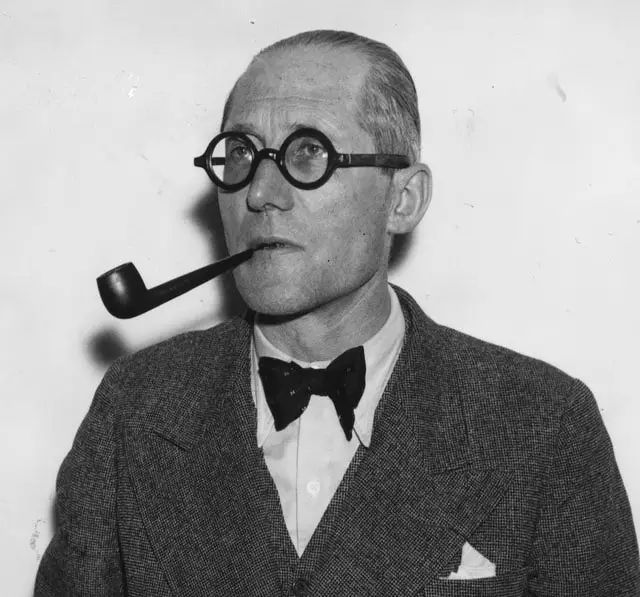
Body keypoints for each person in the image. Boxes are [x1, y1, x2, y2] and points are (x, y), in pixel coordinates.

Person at [35, 30, 639, 596]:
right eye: (240, 153)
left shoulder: (542, 425)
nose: (259, 193)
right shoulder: (136, 410)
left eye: (308, 152)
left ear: (403, 200)